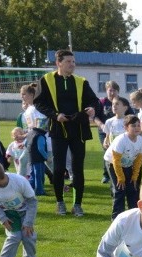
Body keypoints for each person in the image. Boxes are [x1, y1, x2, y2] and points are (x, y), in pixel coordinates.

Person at [32, 49, 101, 217]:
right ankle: (60, 202)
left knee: (78, 168)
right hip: (58, 128)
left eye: (73, 62)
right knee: (59, 168)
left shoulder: (81, 81)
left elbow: (93, 100)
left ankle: (77, 205)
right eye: (69, 62)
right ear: (59, 63)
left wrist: (92, 108)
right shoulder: (46, 80)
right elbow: (38, 103)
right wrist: (55, 115)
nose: (72, 65)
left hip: (78, 128)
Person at [105, 115, 142, 219]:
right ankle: (117, 218)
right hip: (113, 164)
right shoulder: (121, 140)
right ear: (126, 128)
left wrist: (135, 176)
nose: (137, 128)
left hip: (127, 165)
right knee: (120, 189)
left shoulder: (141, 141)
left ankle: (134, 216)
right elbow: (116, 161)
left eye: (138, 125)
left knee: (132, 188)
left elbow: (138, 161)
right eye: (133, 125)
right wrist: (121, 178)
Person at [20, 83, 51, 196]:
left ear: (32, 94)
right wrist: (25, 140)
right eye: (21, 95)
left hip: (42, 140)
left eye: (24, 94)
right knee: (34, 166)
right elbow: (30, 128)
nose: (22, 97)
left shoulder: (39, 108)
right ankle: (28, 186)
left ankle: (59, 184)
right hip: (33, 141)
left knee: (47, 165)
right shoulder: (28, 110)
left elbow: (43, 125)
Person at [96, 80, 120, 183]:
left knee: (118, 152)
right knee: (108, 151)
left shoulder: (121, 102)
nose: (112, 93)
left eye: (114, 90)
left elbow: (129, 115)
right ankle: (106, 175)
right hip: (104, 132)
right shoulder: (102, 102)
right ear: (106, 91)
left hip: (118, 131)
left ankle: (118, 173)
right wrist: (101, 125)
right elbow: (95, 117)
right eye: (110, 90)